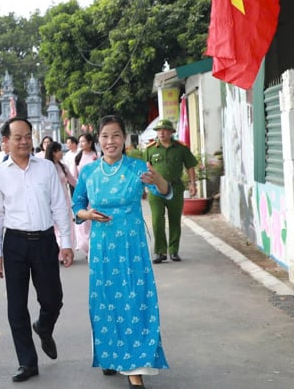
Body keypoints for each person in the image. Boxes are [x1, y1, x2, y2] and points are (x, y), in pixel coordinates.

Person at [71, 116, 171, 387]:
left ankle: (134, 369)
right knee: (106, 302)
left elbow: (164, 192)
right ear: (98, 140)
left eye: (116, 135)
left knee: (135, 301)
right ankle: (111, 355)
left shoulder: (138, 168)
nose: (110, 141)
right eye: (105, 136)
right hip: (102, 248)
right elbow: (76, 205)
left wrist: (158, 178)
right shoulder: (90, 172)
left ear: (124, 138)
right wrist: (86, 213)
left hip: (133, 247)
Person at [0, 118, 73, 383]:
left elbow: (60, 205)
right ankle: (27, 362)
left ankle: (44, 326)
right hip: (14, 243)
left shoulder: (47, 168)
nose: (24, 141)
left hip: (45, 240)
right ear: (6, 142)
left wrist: (67, 243)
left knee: (53, 298)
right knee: (16, 305)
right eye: (18, 137)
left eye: (28, 136)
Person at [144, 118, 198, 263]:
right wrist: (143, 187)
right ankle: (160, 251)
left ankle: (173, 250)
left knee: (175, 220)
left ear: (171, 132)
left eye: (164, 130)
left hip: (175, 188)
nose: (161, 133)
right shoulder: (150, 149)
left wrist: (193, 184)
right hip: (155, 190)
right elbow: (144, 169)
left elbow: (190, 166)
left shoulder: (181, 149)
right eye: (158, 130)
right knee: (157, 220)